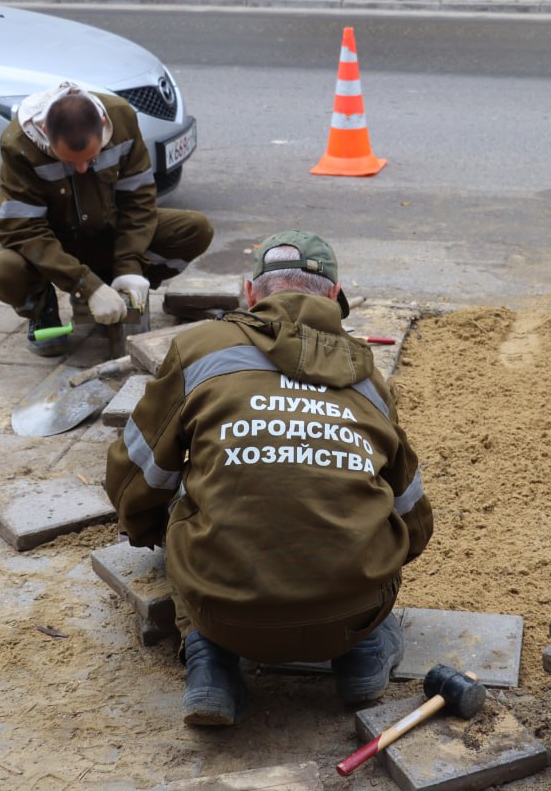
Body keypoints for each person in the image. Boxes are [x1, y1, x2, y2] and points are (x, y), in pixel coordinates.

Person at [104, 230, 433, 727]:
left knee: (188, 499)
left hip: (226, 614)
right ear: (334, 295)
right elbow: (412, 517)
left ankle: (209, 662)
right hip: (348, 613)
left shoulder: (198, 350)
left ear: (250, 293)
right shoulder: (367, 376)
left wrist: (152, 534)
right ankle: (363, 652)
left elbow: (136, 475)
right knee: (371, 516)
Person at [0, 81, 214, 356]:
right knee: (5, 270)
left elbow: (138, 201)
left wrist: (129, 267)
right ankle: (42, 309)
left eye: (90, 159)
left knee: (194, 229)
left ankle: (116, 287)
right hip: (52, 243)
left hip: (104, 229)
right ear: (44, 131)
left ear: (103, 124)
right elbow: (22, 229)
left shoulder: (121, 120)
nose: (81, 169)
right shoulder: (19, 144)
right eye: (70, 161)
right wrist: (86, 286)